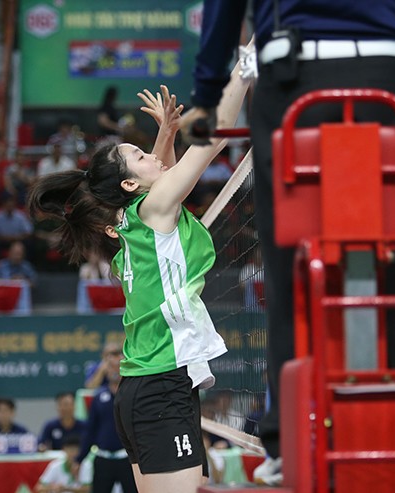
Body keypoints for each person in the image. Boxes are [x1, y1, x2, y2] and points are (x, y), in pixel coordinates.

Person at [182, 0, 395, 467]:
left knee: (287, 264)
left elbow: (224, 9)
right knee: (393, 260)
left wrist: (205, 96)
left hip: (295, 83)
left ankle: (286, 441)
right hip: (383, 79)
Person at [30, 73, 248, 491]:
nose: (152, 156)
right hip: (161, 387)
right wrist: (244, 69)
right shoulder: (153, 211)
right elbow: (216, 135)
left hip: (148, 389)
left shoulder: (134, 224)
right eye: (140, 155)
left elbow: (159, 178)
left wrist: (165, 135)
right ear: (130, 185)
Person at [76, 353, 137, 493]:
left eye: (118, 366)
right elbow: (90, 430)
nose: (114, 370)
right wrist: (79, 459)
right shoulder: (99, 397)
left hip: (128, 458)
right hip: (103, 457)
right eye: (111, 366)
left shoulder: (132, 394)